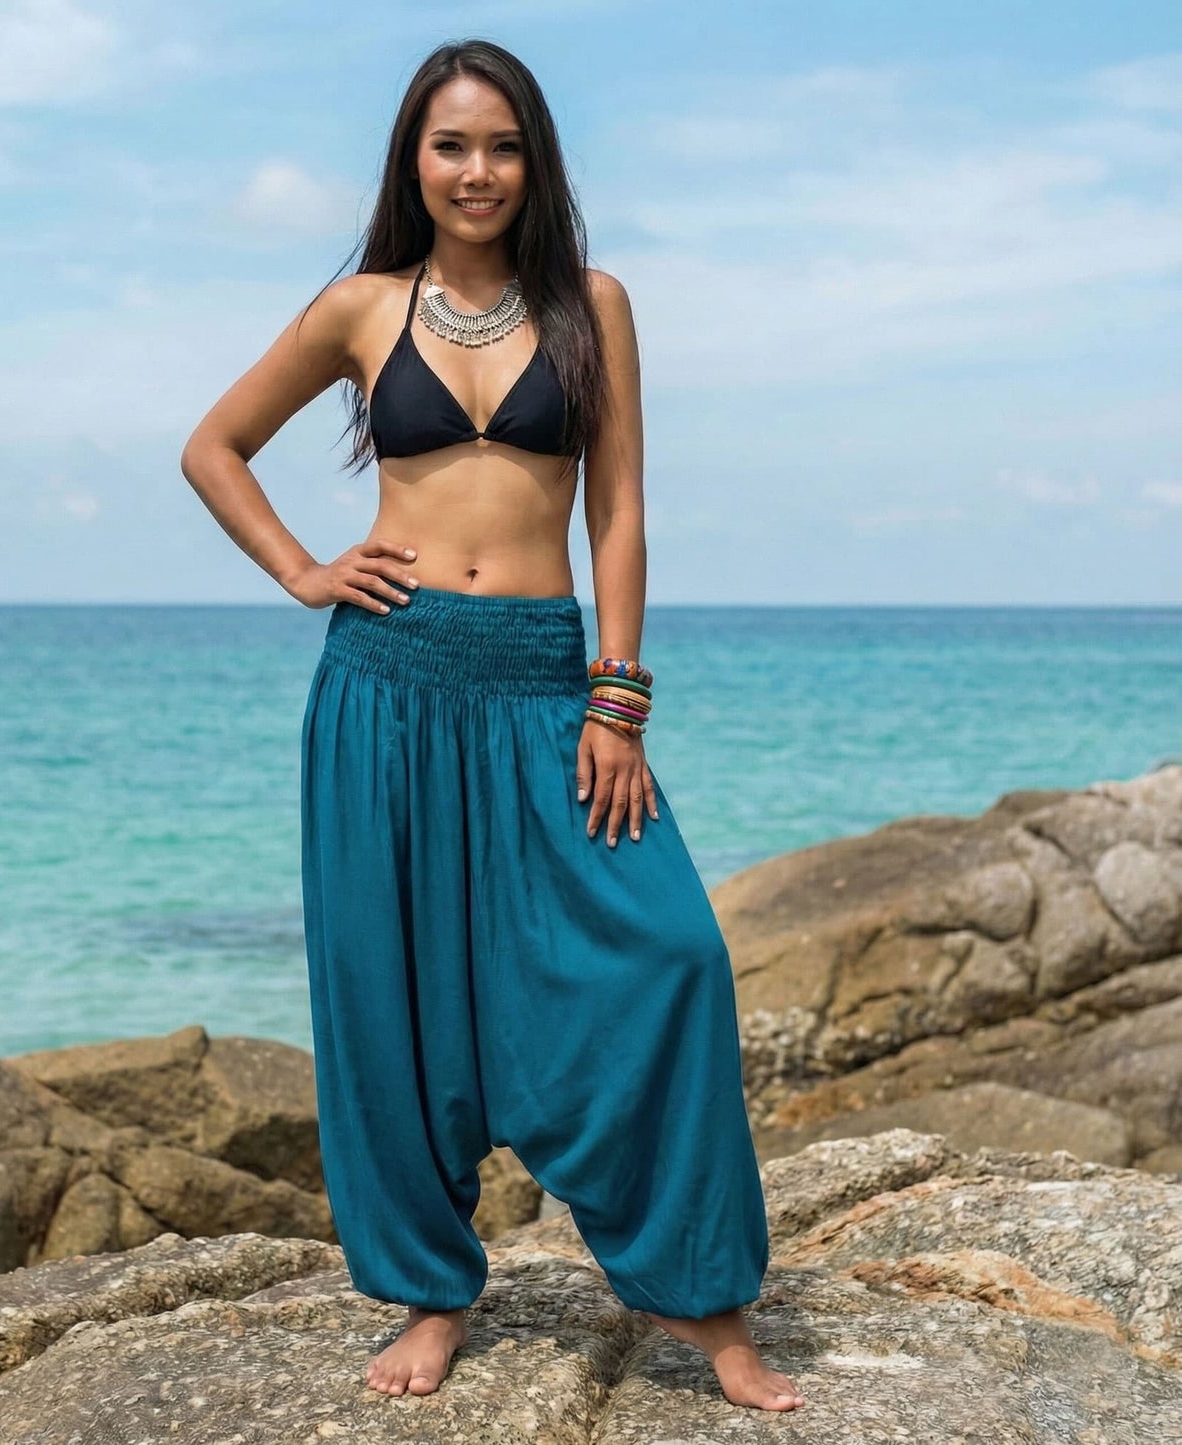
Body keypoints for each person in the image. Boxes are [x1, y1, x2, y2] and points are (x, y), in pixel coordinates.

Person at [180, 37, 805, 1414]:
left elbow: (618, 504)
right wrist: (301, 570)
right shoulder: (357, 308)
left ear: (537, 162)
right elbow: (211, 447)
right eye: (450, 145)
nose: (477, 170)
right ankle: (429, 1287)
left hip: (540, 676)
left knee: (670, 954)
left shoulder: (590, 303)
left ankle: (708, 1307)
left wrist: (617, 692)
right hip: (384, 682)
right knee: (389, 984)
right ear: (414, 159)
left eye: (502, 145)